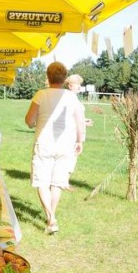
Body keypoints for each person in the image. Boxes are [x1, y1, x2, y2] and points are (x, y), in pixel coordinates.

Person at [24, 62, 86, 234]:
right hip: (66, 144)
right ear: (64, 78)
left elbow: (29, 120)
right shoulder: (71, 97)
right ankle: (52, 217)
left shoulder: (41, 94)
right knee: (57, 183)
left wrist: (34, 123)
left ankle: (51, 218)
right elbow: (80, 121)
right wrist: (80, 141)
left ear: (48, 76)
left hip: (44, 143)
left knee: (42, 182)